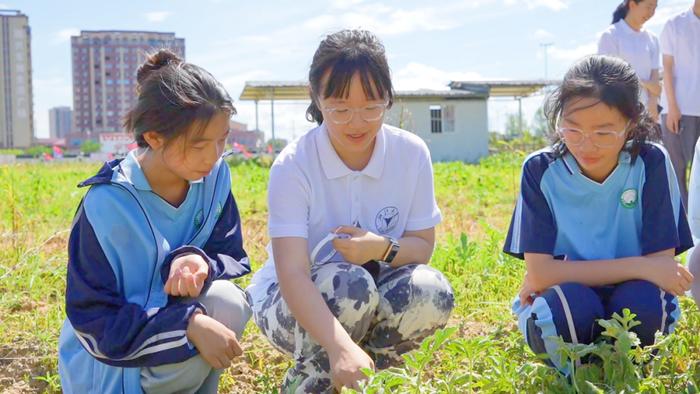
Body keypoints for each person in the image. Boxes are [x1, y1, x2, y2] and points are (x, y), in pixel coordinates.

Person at [245, 29, 455, 393]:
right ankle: (312, 378)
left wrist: (380, 248)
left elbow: (422, 247)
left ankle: (377, 376)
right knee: (348, 284)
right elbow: (293, 273)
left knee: (430, 289)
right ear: (316, 99)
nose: (357, 123)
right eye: (340, 110)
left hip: (372, 291)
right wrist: (340, 346)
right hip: (292, 302)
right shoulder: (294, 165)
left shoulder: (411, 154)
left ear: (388, 99)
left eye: (371, 108)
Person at [58, 49, 252, 393]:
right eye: (199, 144)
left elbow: (229, 251)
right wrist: (187, 325)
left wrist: (197, 258)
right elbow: (94, 320)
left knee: (228, 302)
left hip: (169, 341)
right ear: (153, 137)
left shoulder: (214, 178)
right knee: (207, 322)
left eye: (222, 140)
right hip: (113, 364)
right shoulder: (107, 204)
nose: (214, 156)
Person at [504, 55, 693, 375]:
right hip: (569, 296)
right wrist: (639, 265)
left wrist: (555, 273)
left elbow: (660, 268)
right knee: (568, 310)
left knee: (644, 307)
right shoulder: (540, 170)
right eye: (572, 129)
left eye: (603, 133)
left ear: (631, 124)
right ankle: (584, 370)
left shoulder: (651, 163)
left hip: (633, 290)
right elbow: (540, 277)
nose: (585, 144)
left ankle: (622, 367)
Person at [659, 0, 700, 207]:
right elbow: (667, 68)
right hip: (678, 109)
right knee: (677, 169)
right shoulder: (674, 24)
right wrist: (673, 107)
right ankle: (681, 227)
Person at [598, 0, 661, 122]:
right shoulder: (611, 35)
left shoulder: (652, 39)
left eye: (654, 8)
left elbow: (657, 87)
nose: (651, 12)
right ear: (632, 4)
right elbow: (609, 79)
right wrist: (646, 83)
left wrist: (653, 102)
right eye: (648, 7)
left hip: (648, 115)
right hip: (620, 111)